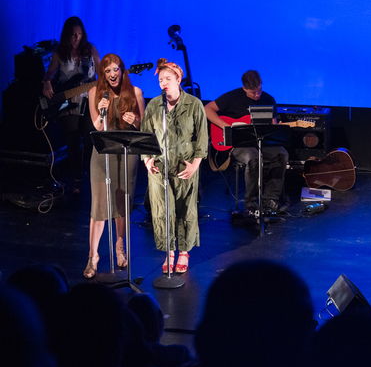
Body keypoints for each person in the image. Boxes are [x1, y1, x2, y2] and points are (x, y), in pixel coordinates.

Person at [140, 58, 208, 274]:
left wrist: (195, 165)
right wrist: (147, 159)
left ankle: (184, 251)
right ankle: (169, 251)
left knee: (185, 209)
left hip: (185, 164)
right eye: (161, 80)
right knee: (162, 210)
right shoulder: (154, 105)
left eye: (168, 79)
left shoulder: (194, 104)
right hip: (160, 166)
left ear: (178, 79)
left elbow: (202, 138)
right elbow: (145, 136)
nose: (164, 83)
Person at [83, 54, 144, 278]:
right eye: (107, 71)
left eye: (116, 70)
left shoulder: (135, 92)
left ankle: (120, 247)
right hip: (102, 155)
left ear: (122, 70)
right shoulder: (94, 93)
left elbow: (142, 126)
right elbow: (97, 127)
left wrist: (134, 121)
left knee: (121, 205)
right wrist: (101, 111)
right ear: (103, 74)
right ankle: (93, 256)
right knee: (98, 207)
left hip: (127, 155)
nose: (112, 75)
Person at [205, 70, 289, 214]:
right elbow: (208, 109)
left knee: (281, 154)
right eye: (253, 92)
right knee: (253, 158)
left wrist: (276, 128)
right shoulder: (232, 97)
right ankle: (250, 202)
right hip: (239, 143)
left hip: (260, 141)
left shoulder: (268, 99)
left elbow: (272, 126)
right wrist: (226, 126)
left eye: (259, 90)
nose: (257, 95)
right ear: (244, 88)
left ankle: (270, 198)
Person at [42, 16, 101, 194]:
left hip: (89, 98)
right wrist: (47, 82)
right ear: (67, 34)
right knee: (73, 141)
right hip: (68, 101)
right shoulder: (60, 52)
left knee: (91, 138)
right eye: (73, 34)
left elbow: (101, 73)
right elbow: (50, 72)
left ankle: (91, 175)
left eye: (79, 33)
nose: (76, 37)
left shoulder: (90, 49)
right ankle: (76, 179)